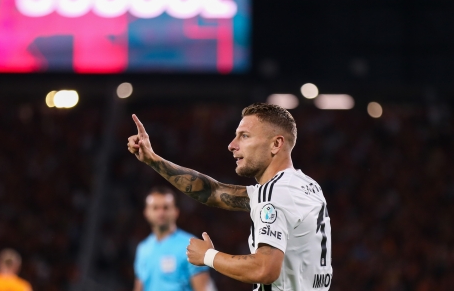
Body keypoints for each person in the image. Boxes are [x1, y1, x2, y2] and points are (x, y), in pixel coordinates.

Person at [127, 103, 333, 290]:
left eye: (244, 136)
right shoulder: (305, 185)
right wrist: (153, 159)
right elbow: (213, 192)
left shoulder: (274, 193)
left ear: (276, 144)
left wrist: (208, 256)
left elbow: (265, 270)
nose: (232, 145)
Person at [133, 186, 212, 291]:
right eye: (155, 208)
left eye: (165, 208)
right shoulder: (142, 248)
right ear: (146, 213)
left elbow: (203, 288)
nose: (161, 213)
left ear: (176, 211)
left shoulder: (191, 245)